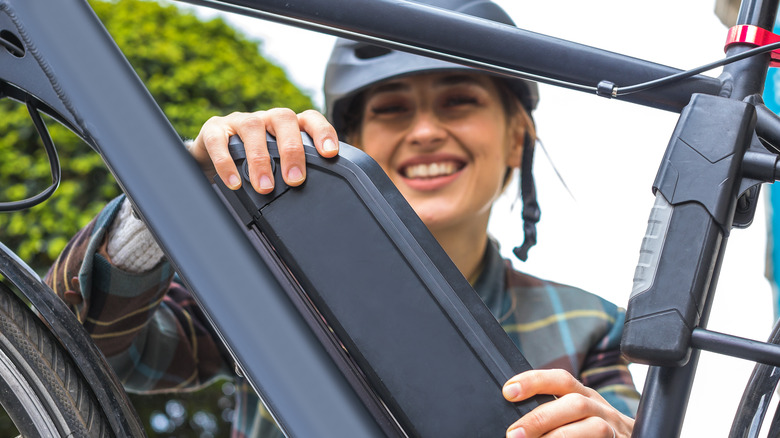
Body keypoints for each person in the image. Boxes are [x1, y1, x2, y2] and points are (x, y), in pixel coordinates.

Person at [45, 0, 639, 436]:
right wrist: (170, 200)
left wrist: (613, 431)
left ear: (518, 139)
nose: (427, 131)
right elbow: (85, 347)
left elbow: (631, 422)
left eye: (460, 101)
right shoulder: (274, 278)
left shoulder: (593, 328)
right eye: (392, 109)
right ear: (346, 140)